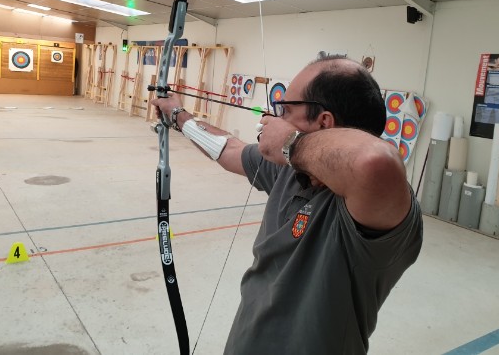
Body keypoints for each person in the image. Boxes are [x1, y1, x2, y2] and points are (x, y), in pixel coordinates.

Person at [152, 53, 423, 354]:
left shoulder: (375, 202)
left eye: (286, 110)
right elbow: (228, 149)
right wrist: (178, 116)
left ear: (324, 122)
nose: (272, 119)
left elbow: (374, 160)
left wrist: (289, 143)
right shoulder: (290, 171)